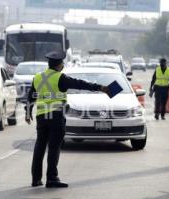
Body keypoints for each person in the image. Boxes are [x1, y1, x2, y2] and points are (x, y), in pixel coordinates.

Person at [25, 51, 109, 188]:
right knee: (53, 147)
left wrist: (27, 113)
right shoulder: (60, 78)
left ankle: (36, 179)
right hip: (56, 116)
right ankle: (52, 178)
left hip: (42, 117)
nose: (63, 65)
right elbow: (80, 84)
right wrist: (100, 88)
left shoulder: (38, 77)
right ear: (59, 65)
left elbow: (30, 97)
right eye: (62, 63)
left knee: (40, 146)